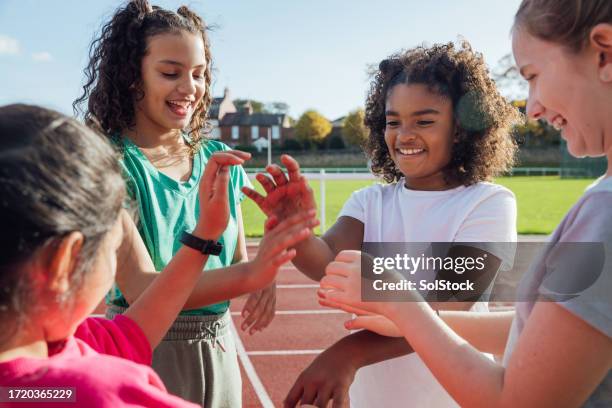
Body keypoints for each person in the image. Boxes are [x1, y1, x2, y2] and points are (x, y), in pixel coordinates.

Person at [319, 1, 612, 406]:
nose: (534, 107)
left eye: (534, 75)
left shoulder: (603, 213)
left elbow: (513, 401)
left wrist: (401, 304)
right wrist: (403, 315)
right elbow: (537, 327)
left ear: (604, 52)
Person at [244, 41, 520, 407]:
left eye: (424, 121)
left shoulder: (488, 203)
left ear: (460, 128)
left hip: (450, 396)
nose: (404, 134)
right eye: (393, 121)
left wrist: (349, 353)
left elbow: (451, 309)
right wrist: (297, 231)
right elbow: (324, 262)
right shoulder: (370, 201)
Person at [0, 104, 315, 407]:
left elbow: (132, 332)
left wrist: (206, 234)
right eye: (114, 248)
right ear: (64, 262)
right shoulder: (99, 391)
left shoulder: (59, 350)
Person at [72, 1, 299, 405]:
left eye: (199, 74)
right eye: (170, 73)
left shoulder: (220, 156)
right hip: (146, 348)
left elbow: (236, 261)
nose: (190, 88)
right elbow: (141, 287)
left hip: (220, 346)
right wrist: (253, 275)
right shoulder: (110, 163)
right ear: (131, 77)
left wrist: (267, 264)